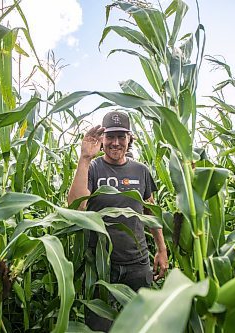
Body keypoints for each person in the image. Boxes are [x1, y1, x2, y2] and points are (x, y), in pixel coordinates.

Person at [67, 111, 168, 331]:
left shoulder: (141, 171)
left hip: (138, 264)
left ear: (129, 139)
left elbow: (150, 211)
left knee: (143, 326)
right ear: (102, 140)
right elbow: (76, 207)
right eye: (110, 136)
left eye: (121, 137)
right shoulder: (92, 169)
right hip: (102, 265)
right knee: (100, 326)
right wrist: (84, 158)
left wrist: (161, 249)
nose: (115, 143)